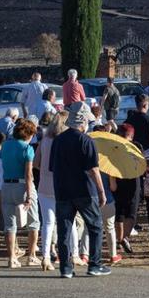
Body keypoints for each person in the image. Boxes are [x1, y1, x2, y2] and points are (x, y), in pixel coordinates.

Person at [49, 102, 109, 278]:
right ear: (83, 121)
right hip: (84, 190)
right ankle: (94, 264)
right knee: (95, 226)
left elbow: (52, 167)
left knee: (64, 230)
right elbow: (93, 169)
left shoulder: (58, 140)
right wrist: (101, 191)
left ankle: (65, 268)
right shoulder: (86, 140)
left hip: (62, 190)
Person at [0, 119, 40, 268]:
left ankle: (12, 258)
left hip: (6, 185)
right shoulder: (27, 149)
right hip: (22, 186)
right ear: (28, 134)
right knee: (34, 222)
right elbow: (28, 175)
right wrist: (29, 195)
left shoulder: (5, 145)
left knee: (10, 225)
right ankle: (32, 256)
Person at [35, 111, 68, 270]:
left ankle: (46, 256)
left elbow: (36, 162)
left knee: (47, 223)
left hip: (44, 185)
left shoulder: (44, 140)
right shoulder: (63, 141)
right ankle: (69, 254)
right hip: (61, 185)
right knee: (65, 222)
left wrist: (44, 170)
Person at [111, 123, 140, 257]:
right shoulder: (136, 146)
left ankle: (120, 239)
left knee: (120, 212)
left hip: (119, 179)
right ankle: (123, 238)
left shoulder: (114, 147)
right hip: (132, 180)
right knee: (131, 213)